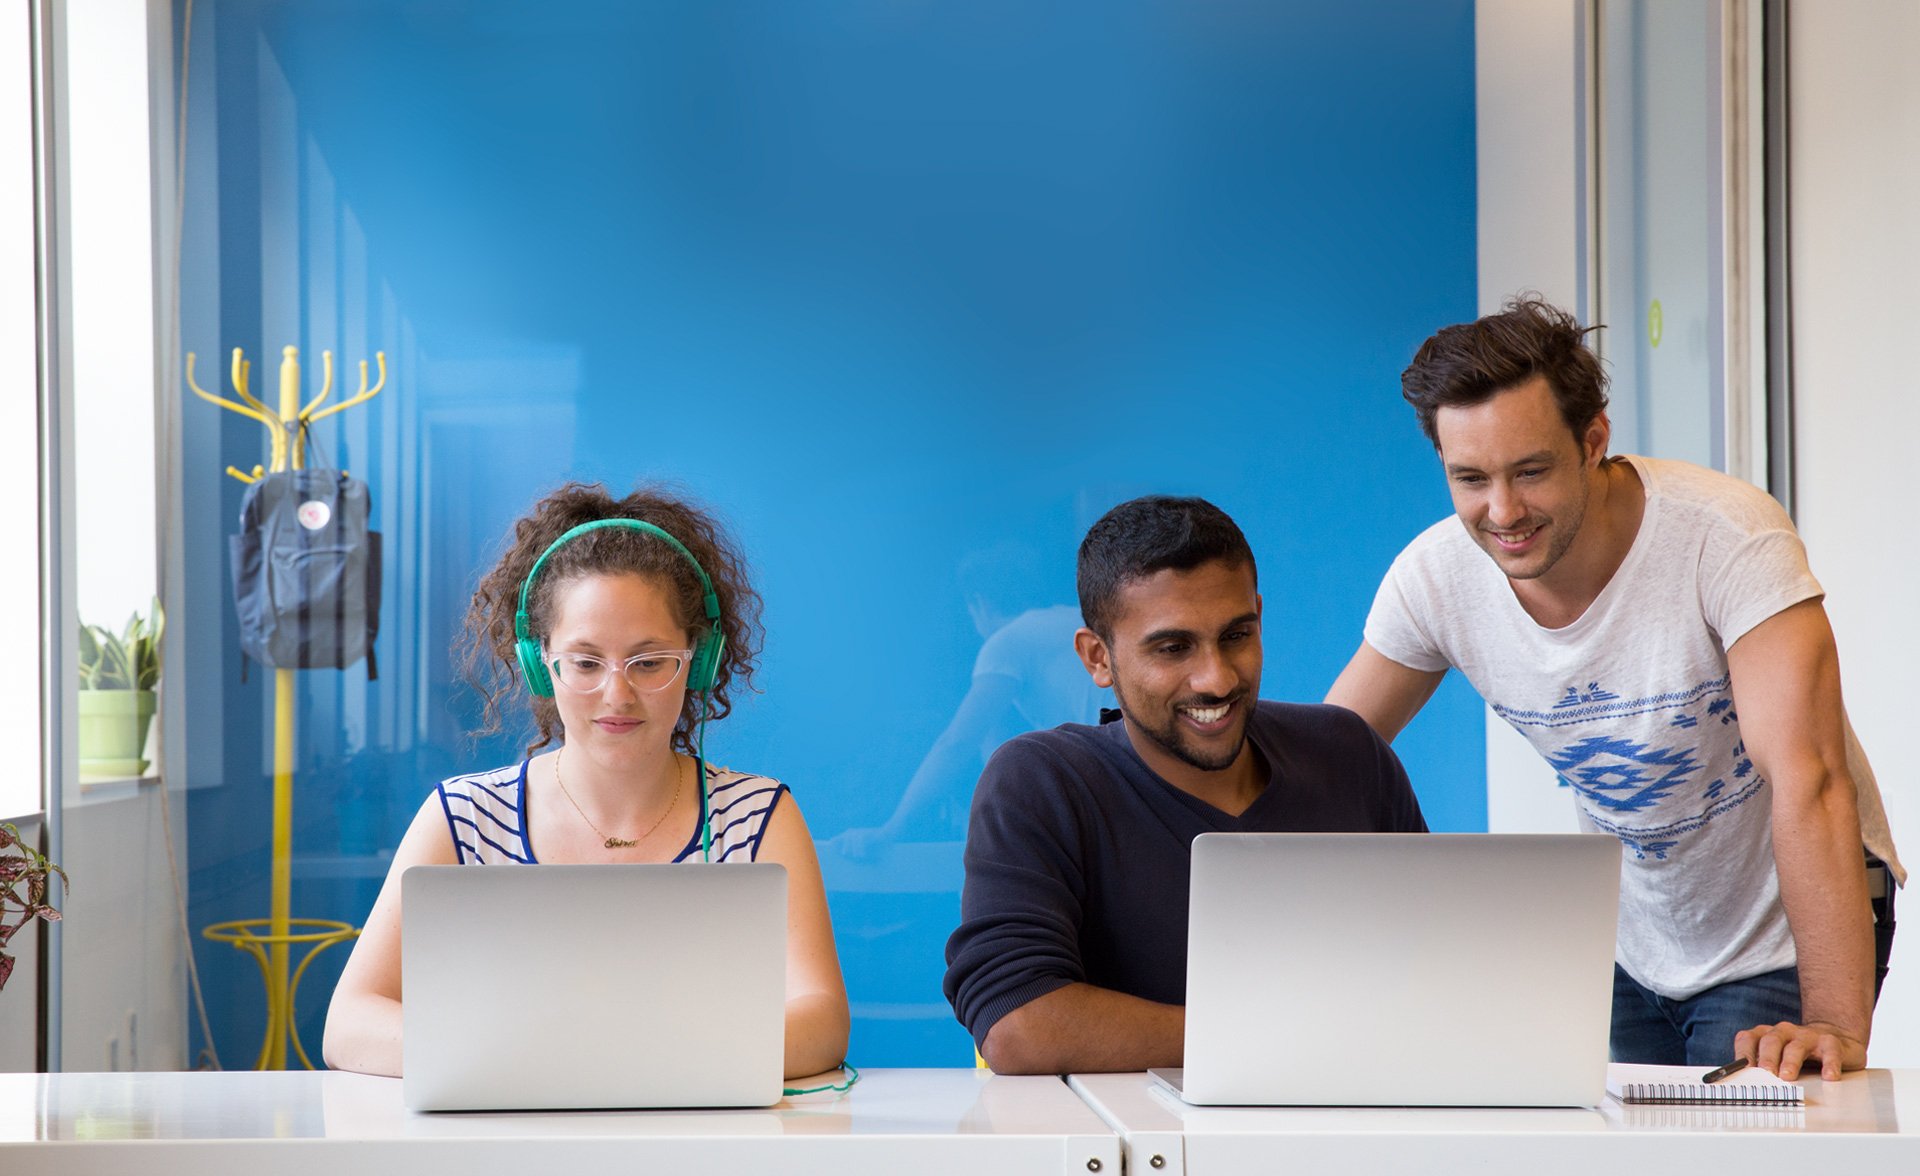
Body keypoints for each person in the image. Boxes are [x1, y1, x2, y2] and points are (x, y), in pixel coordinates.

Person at [1326, 298, 1904, 1082]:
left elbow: (1811, 779)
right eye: (1470, 479)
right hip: (1636, 934)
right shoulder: (1436, 577)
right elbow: (1326, 758)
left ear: (1593, 439)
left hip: (1783, 930)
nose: (1502, 512)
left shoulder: (1727, 538)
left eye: (1531, 471)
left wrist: (1835, 1020)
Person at [323, 483, 849, 1079]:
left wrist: (613, 1058)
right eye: (585, 661)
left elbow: (823, 1019)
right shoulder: (462, 816)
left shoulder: (757, 815)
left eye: (649, 662)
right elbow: (350, 1024)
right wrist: (550, 1059)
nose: (617, 694)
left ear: (697, 661)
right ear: (539, 663)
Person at [944, 496, 1427, 1074]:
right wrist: (1297, 1040)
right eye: (1173, 648)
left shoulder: (1348, 753)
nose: (1217, 678)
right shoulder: (1042, 781)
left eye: (1236, 636)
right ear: (1098, 658)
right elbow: (1017, 1023)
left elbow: (1436, 966)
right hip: (1126, 1154)